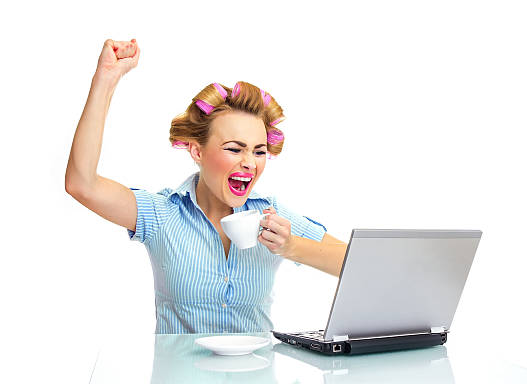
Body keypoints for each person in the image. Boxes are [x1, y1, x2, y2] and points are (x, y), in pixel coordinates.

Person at [65, 39, 347, 334]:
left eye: (259, 151)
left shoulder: (270, 216)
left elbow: (352, 265)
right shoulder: (162, 214)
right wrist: (106, 79)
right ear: (197, 152)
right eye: (235, 149)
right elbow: (81, 184)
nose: (250, 163)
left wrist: (291, 246)